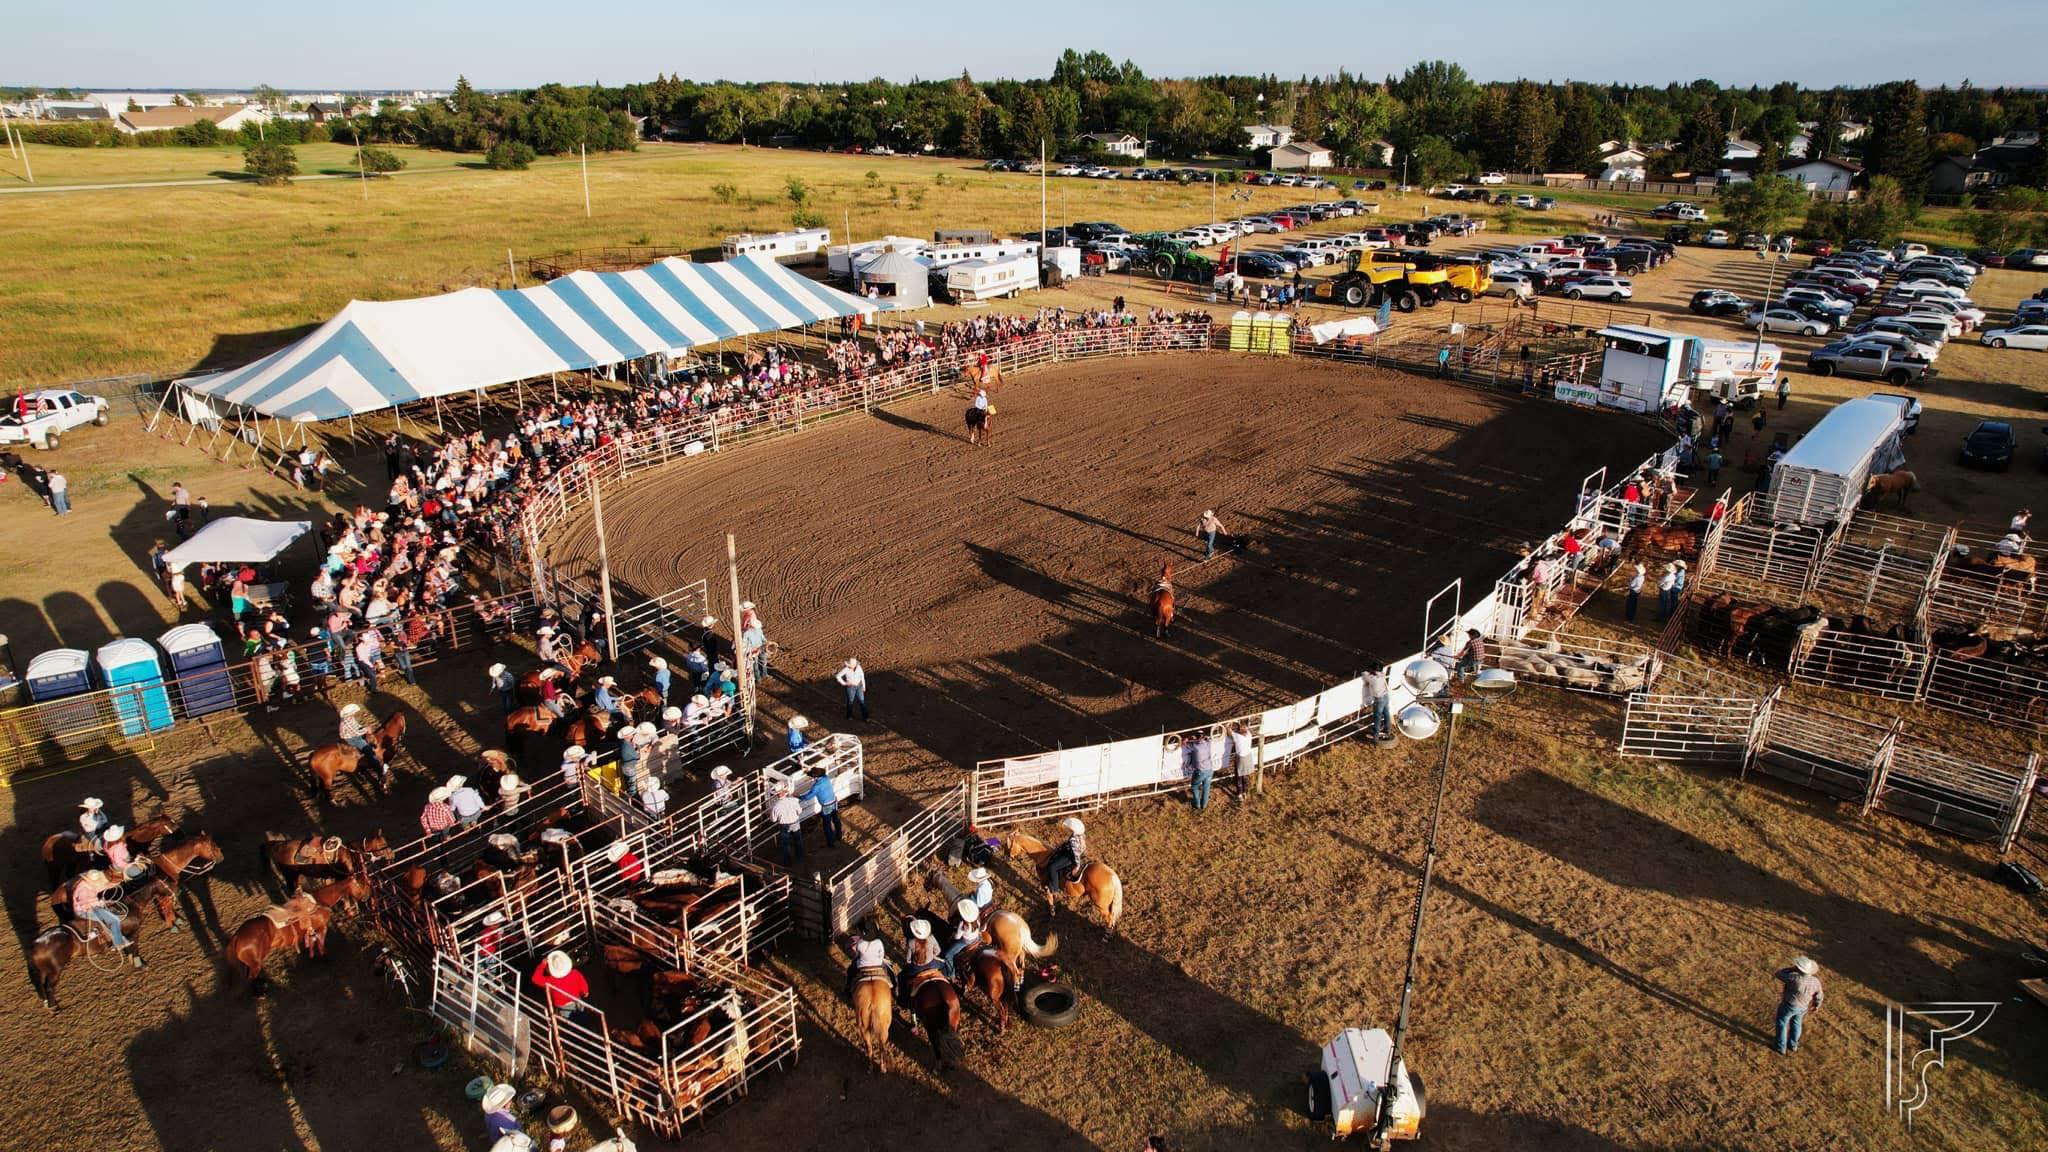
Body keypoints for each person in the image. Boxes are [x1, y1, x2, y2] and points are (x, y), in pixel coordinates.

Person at [71, 870, 142, 966]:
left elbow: (102, 887)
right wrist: (100, 902)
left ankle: (133, 957)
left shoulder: (89, 884)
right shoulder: (83, 888)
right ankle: (119, 945)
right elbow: (85, 903)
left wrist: (117, 882)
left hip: (91, 907)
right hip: (85, 910)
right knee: (113, 920)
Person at [1772, 956, 1824, 1055]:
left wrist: (1791, 969)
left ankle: (1780, 1047)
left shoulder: (1793, 978)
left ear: (1799, 968)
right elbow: (1819, 995)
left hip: (1789, 1005)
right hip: (1803, 1007)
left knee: (1782, 1023)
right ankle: (1793, 1044)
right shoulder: (1815, 981)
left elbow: (1778, 973)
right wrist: (1816, 1005)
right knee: (1797, 1023)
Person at [532, 950, 591, 1019]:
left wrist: (542, 965)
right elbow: (583, 984)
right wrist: (585, 991)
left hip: (562, 1005)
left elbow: (535, 979)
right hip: (577, 1001)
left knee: (565, 1018)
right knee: (580, 1014)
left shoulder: (550, 980)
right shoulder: (575, 973)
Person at [940, 898, 983, 980]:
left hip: (965, 942)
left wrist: (953, 934)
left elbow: (957, 937)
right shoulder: (977, 919)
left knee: (948, 955)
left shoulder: (963, 924)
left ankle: (950, 973)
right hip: (977, 937)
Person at [845, 929, 893, 999]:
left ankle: (848, 989)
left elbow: (857, 955)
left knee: (850, 970)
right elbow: (882, 954)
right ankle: (894, 988)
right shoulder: (878, 941)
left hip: (863, 965)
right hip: (878, 963)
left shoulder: (859, 942)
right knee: (890, 969)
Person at [901, 919, 943, 990]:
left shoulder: (911, 942)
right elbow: (938, 951)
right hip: (932, 964)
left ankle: (902, 995)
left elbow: (908, 960)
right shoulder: (931, 937)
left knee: (901, 976)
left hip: (916, 968)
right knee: (944, 965)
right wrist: (932, 956)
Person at [1045, 816, 1086, 890]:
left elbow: (1076, 854)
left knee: (1052, 867)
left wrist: (1077, 866)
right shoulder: (1081, 836)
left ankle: (1054, 887)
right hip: (1072, 853)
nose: (1069, 829)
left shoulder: (1074, 839)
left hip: (1070, 857)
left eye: (1070, 828)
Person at [807, 766, 842, 847]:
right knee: (836, 820)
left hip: (826, 806)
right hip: (834, 802)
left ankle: (831, 842)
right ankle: (839, 835)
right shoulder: (826, 778)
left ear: (815, 777)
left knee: (827, 825)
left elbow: (808, 797)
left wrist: (799, 797)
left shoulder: (816, 786)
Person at [770, 784, 803, 866]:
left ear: (777, 795)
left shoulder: (775, 807)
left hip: (784, 825)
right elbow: (799, 811)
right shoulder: (793, 801)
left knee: (786, 844)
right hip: (795, 822)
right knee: (798, 840)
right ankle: (800, 857)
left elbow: (773, 820)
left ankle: (788, 862)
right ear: (785, 793)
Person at [1365, 667, 1390, 741]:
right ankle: (1387, 731)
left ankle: (1375, 735)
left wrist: (1370, 673)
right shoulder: (1382, 675)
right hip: (1385, 696)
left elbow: (1365, 675)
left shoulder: (1372, 678)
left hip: (1379, 699)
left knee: (1377, 717)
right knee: (1386, 714)